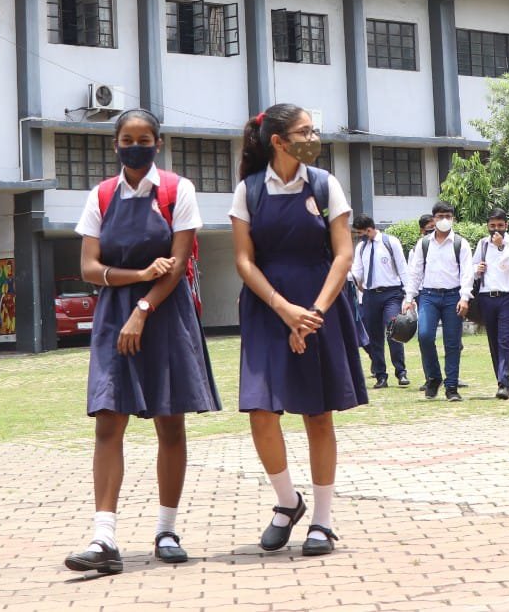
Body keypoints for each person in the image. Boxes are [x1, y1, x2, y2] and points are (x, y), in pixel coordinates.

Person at [65, 109, 221, 575]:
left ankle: (167, 530)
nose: (136, 145)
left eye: (144, 138)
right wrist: (132, 279)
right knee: (108, 422)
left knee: (170, 424)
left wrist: (143, 306)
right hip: (114, 317)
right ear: (116, 144)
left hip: (165, 313)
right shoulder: (102, 195)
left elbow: (176, 265)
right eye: (127, 138)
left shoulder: (177, 191)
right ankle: (103, 537)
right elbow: (90, 267)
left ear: (158, 141)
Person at [232, 103, 363, 557]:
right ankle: (288, 503)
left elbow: (343, 255)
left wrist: (313, 313)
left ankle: (323, 522)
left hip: (320, 302)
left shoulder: (326, 184)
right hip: (267, 307)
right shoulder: (248, 191)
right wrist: (285, 310)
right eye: (305, 131)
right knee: (261, 410)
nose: (313, 137)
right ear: (279, 140)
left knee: (318, 412)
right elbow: (244, 261)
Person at [401, 201, 472, 402]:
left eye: (448, 216)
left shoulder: (460, 243)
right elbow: (415, 272)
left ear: (453, 219)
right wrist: (409, 298)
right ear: (433, 219)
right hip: (429, 296)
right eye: (440, 216)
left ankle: (451, 386)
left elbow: (467, 273)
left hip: (453, 296)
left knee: (452, 342)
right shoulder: (424, 244)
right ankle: (433, 377)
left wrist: (464, 297)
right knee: (424, 335)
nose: (444, 220)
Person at [470, 209, 509, 399]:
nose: (496, 229)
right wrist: (477, 269)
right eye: (492, 226)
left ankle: (504, 381)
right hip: (486, 297)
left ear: (506, 226)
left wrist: (502, 248)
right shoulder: (483, 244)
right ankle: (502, 381)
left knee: (504, 339)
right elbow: (472, 268)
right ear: (487, 226)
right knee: (493, 341)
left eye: (500, 226)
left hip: (507, 297)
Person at [351, 215, 409, 388]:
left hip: (391, 293)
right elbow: (357, 271)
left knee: (394, 331)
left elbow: (402, 268)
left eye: (361, 232)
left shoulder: (390, 242)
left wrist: (409, 295)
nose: (360, 236)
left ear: (369, 229)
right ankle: (380, 375)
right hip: (370, 295)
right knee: (374, 336)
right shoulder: (361, 247)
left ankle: (401, 372)